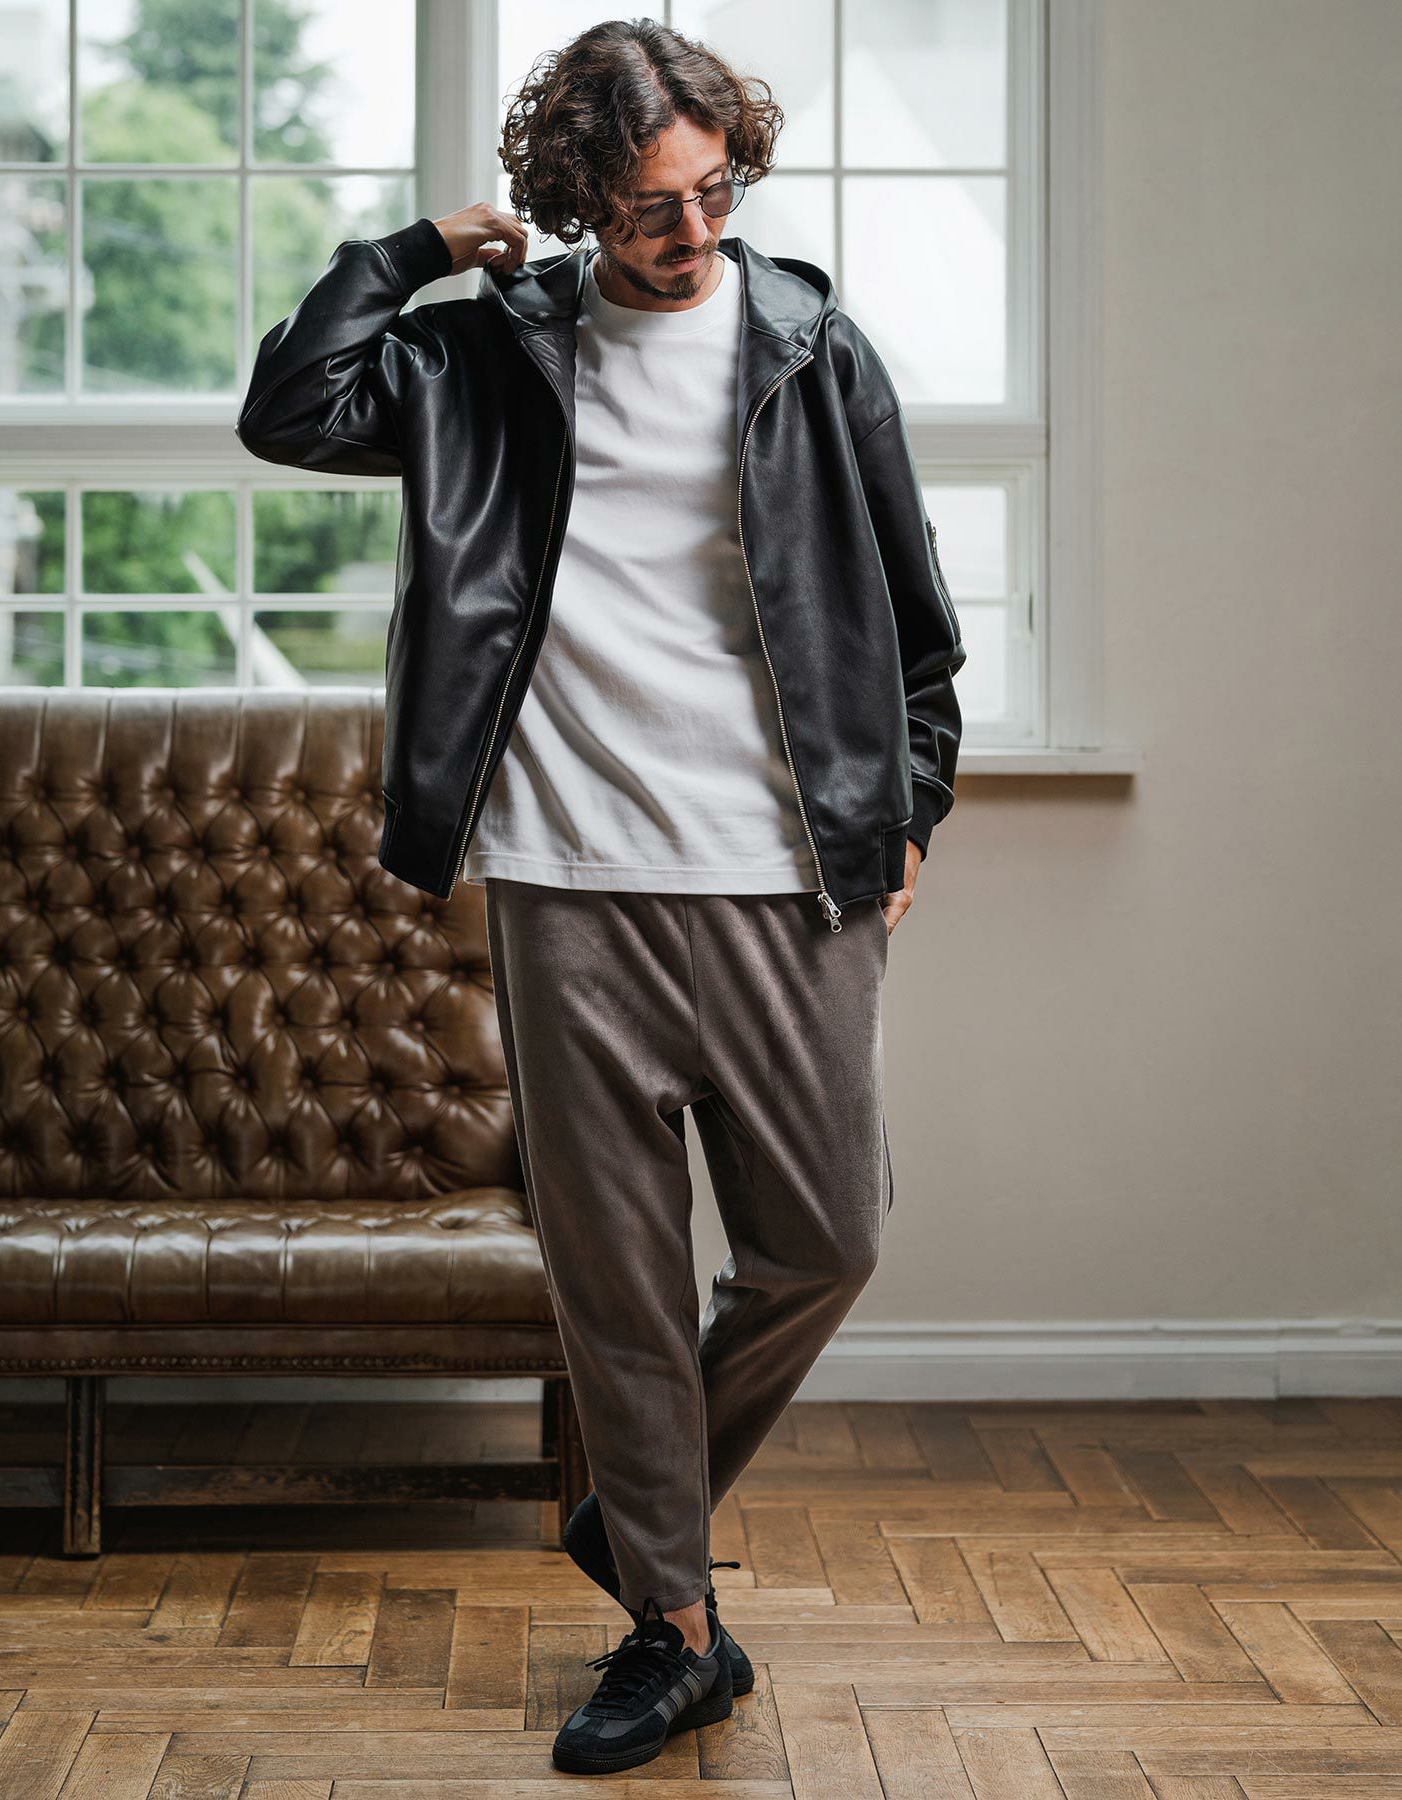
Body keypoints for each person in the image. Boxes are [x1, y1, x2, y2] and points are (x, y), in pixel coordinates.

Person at [235, 17, 965, 1777]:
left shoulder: (810, 347)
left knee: (827, 1241)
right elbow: (290, 410)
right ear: (575, 201)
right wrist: (409, 255)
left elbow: (915, 620)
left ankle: (641, 1506)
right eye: (648, 208)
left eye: (714, 192)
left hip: (785, 870)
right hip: (565, 874)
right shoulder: (486, 355)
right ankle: (672, 1627)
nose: (692, 232)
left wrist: (912, 813)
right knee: (618, 1277)